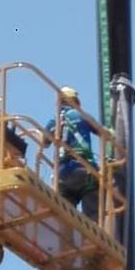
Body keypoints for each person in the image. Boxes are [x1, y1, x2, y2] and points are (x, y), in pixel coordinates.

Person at [53, 86, 100, 217]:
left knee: (65, 217)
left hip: (62, 174)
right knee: (92, 216)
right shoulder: (81, 115)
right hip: (84, 169)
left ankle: (66, 233)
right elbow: (103, 133)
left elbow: (44, 141)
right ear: (75, 101)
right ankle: (91, 233)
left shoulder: (55, 120)